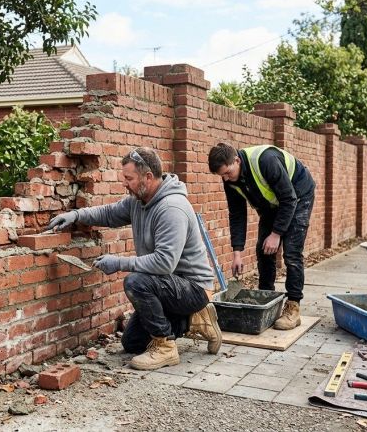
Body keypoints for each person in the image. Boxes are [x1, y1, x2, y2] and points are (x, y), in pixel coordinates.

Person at [46, 147, 222, 371]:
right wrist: (75, 215)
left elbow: (163, 262)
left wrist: (119, 263)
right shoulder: (138, 201)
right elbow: (109, 213)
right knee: (133, 343)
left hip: (192, 287)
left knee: (135, 281)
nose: (124, 183)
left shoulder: (171, 208)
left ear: (147, 177)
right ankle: (195, 320)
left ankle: (166, 348)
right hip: (165, 284)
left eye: (129, 178)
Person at [208, 143, 316, 330]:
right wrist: (237, 253)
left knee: (291, 253)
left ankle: (293, 307)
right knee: (263, 249)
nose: (225, 179)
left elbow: (289, 199)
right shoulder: (229, 181)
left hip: (298, 195)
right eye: (222, 176)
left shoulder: (266, 161)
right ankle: (268, 300)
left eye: (227, 173)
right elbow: (237, 215)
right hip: (272, 203)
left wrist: (276, 234)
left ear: (237, 160)